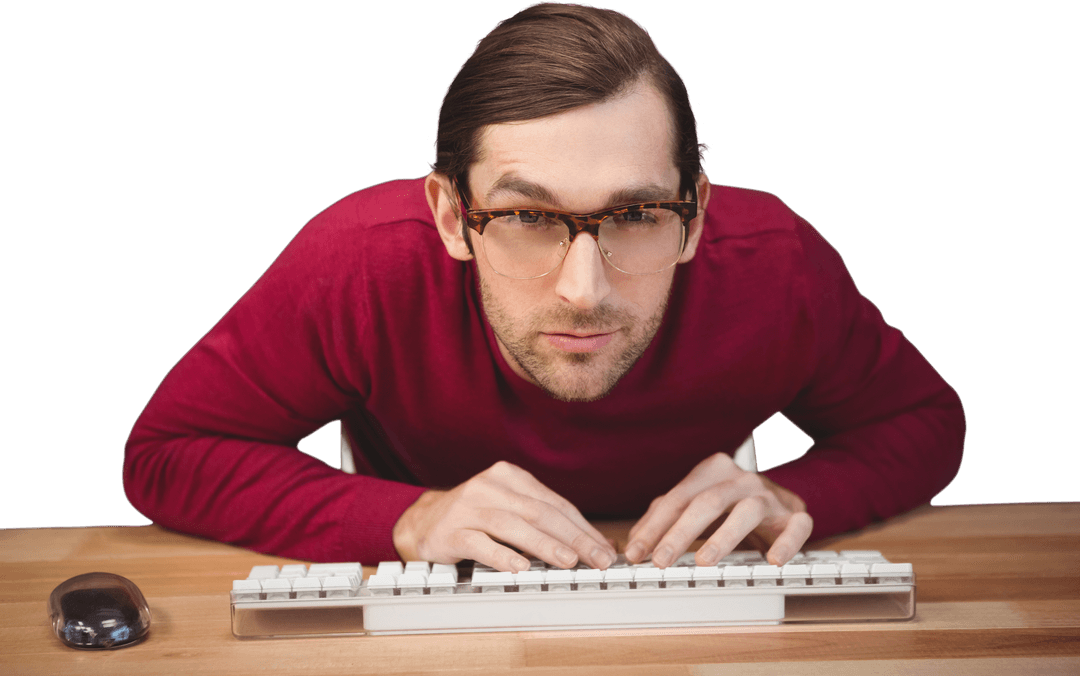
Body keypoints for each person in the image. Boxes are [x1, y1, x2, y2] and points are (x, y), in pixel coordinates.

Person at [122, 3, 965, 573]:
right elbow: (167, 456)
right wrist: (403, 521)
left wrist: (793, 494)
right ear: (453, 217)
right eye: (527, 218)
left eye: (636, 214)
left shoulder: (776, 264)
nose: (582, 290)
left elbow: (925, 422)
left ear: (697, 216)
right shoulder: (358, 265)